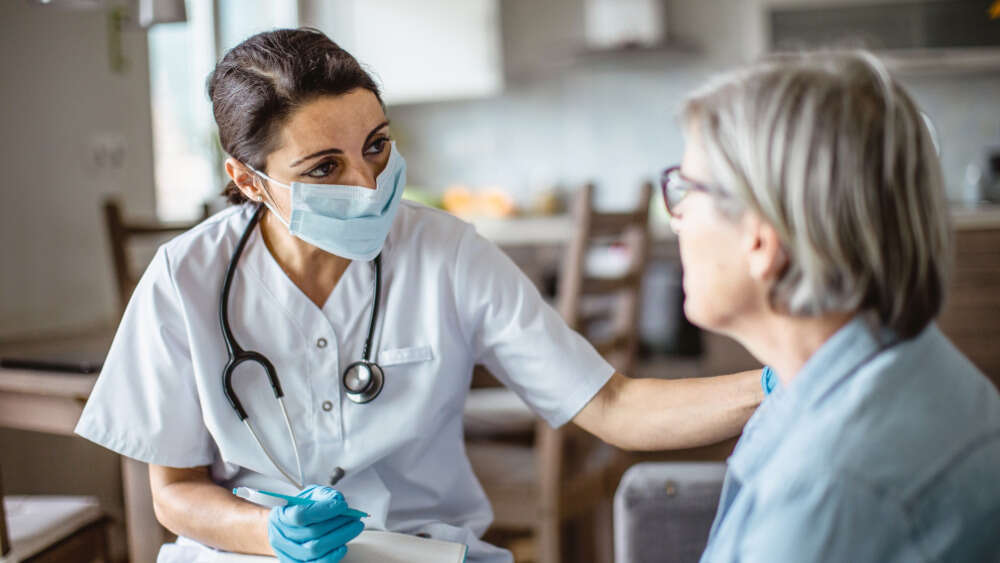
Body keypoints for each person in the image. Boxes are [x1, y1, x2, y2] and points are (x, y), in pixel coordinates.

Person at [75, 28, 763, 563]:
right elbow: (175, 492)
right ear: (249, 179)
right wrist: (271, 531)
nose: (368, 183)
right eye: (325, 167)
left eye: (376, 146)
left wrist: (779, 381)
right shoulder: (183, 276)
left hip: (419, 548)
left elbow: (613, 404)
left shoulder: (448, 253)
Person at [661, 50, 1000, 562]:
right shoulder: (896, 363)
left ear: (761, 239)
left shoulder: (829, 491)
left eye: (687, 190)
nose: (675, 218)